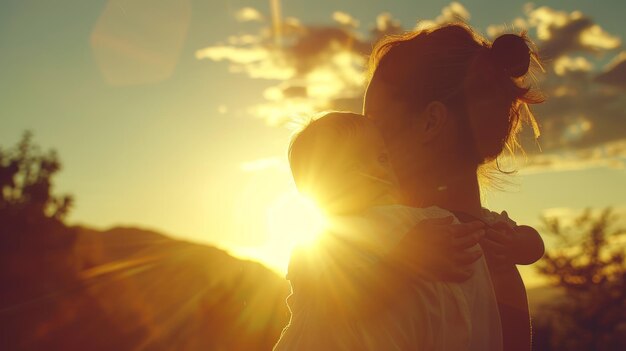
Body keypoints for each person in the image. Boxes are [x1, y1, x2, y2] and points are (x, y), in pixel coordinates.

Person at [363, 23, 545, 350]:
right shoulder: (495, 256)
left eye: (373, 122)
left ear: (431, 122)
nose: (363, 140)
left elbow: (336, 313)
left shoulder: (382, 243)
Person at [273, 111, 497, 350]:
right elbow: (342, 301)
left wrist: (518, 241)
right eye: (353, 166)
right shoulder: (315, 248)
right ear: (316, 189)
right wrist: (403, 260)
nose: (379, 172)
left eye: (382, 159)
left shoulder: (407, 221)